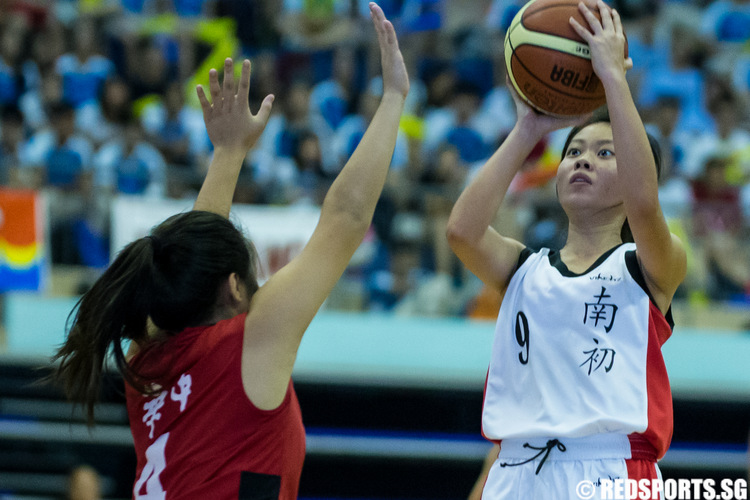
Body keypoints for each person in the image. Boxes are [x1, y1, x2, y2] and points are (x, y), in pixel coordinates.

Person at [50, 3, 408, 498]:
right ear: (234, 287)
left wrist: (228, 154)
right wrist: (392, 99)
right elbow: (345, 219)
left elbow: (196, 257)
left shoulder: (147, 356)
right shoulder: (248, 342)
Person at [446, 1, 686, 499]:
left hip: (611, 469)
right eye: (573, 152)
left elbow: (644, 203)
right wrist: (528, 129)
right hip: (516, 467)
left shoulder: (650, 264)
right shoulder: (524, 268)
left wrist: (612, 79)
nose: (582, 161)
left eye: (605, 153)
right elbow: (462, 232)